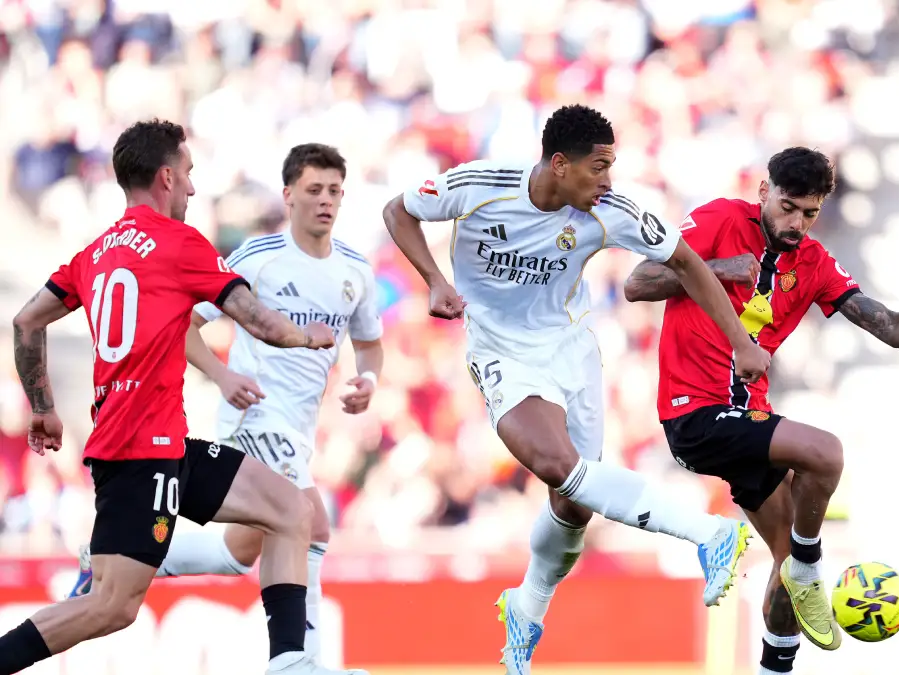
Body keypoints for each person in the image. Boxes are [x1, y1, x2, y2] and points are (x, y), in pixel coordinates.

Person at [382, 104, 771, 674]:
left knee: (573, 505)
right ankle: (708, 534)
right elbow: (397, 211)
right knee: (555, 463)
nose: (608, 181)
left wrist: (740, 342)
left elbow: (687, 264)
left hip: (571, 351)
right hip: (500, 352)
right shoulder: (480, 184)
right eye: (599, 167)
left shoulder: (611, 211)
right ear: (559, 164)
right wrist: (436, 281)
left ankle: (528, 605)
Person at [0, 119, 365, 675]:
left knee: (291, 511)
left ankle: (292, 665)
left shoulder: (95, 253)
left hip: (167, 443)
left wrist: (44, 407)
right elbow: (255, 318)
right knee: (111, 607)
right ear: (167, 176)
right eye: (190, 174)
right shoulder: (179, 243)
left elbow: (27, 321)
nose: (194, 188)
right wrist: (305, 335)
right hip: (137, 452)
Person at [623, 147, 899, 674]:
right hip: (694, 411)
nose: (796, 223)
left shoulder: (814, 263)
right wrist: (714, 269)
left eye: (809, 213)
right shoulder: (719, 218)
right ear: (764, 192)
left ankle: (774, 664)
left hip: (748, 418)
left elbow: (892, 331)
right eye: (788, 208)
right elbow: (636, 283)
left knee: (785, 566)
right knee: (826, 454)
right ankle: (811, 566)